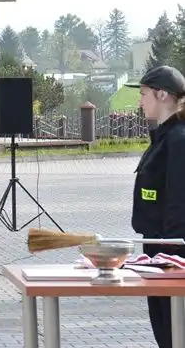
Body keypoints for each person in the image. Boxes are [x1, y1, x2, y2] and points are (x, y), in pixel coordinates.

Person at [127, 65, 185, 348]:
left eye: (144, 94)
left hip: (171, 256)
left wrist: (170, 259)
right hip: (155, 251)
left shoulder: (179, 140)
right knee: (165, 334)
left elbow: (179, 203)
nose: (140, 101)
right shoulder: (163, 137)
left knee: (174, 334)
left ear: (162, 95)